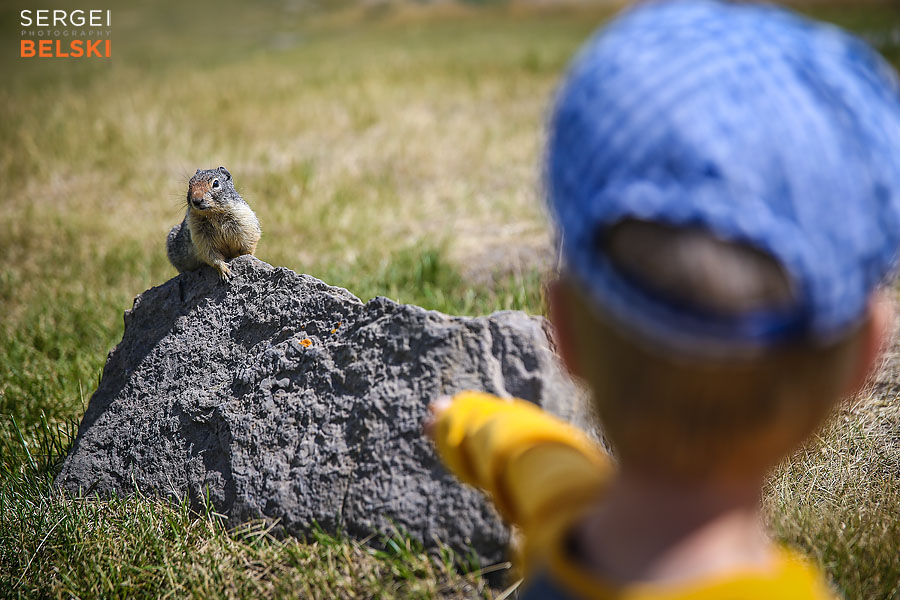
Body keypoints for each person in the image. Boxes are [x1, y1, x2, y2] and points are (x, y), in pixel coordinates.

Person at [425, 1, 900, 598]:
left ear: (563, 331)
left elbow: (547, 475)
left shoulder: (565, 526)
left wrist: (467, 421)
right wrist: (481, 428)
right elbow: (548, 469)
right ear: (865, 358)